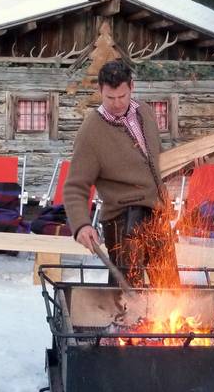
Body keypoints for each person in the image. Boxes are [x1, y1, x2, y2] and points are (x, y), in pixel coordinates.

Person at [63, 60, 164, 281]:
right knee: (126, 294)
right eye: (110, 98)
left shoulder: (145, 113)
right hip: (121, 221)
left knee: (169, 289)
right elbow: (75, 187)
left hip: (157, 215)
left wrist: (189, 165)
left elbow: (158, 163)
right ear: (100, 90)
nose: (117, 103)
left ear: (132, 87)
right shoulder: (91, 131)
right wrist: (81, 225)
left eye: (122, 96)